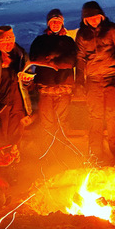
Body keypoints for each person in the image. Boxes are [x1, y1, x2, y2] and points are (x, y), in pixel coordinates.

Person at [75, 1, 115, 160]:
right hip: (93, 80)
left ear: (101, 16)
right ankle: (95, 156)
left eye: (96, 17)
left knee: (113, 116)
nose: (93, 21)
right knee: (95, 118)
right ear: (85, 20)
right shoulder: (82, 34)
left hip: (111, 77)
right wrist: (80, 82)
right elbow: (80, 59)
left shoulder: (111, 29)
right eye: (90, 18)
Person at [0, 26, 32, 166]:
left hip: (17, 101)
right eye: (4, 41)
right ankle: (1, 166)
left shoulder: (20, 54)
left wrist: (28, 81)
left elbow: (29, 77)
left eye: (10, 40)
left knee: (16, 134)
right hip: (0, 102)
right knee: (0, 135)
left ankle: (16, 164)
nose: (8, 44)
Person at [29, 9, 78, 143]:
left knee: (62, 122)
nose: (55, 24)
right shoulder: (40, 40)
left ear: (62, 23)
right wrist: (53, 59)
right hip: (45, 88)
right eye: (53, 22)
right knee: (47, 123)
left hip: (64, 87)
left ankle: (62, 153)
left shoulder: (68, 41)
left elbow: (72, 61)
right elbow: (34, 58)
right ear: (48, 24)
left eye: (58, 22)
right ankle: (48, 155)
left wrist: (53, 60)